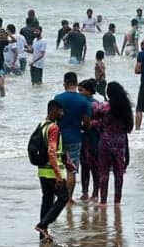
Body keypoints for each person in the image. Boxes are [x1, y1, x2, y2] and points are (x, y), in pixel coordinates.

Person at [53, 72, 92, 203]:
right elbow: (87, 121)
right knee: (72, 169)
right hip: (75, 137)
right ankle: (69, 198)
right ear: (76, 83)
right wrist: (84, 129)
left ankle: (57, 197)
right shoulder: (83, 100)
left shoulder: (58, 98)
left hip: (59, 137)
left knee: (58, 167)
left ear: (65, 83)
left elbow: (52, 119)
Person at [35, 100, 69, 243]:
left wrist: (68, 162)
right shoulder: (54, 128)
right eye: (60, 111)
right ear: (53, 111)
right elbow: (52, 151)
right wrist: (59, 176)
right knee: (63, 198)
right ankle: (42, 225)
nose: (62, 114)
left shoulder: (42, 124)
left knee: (47, 200)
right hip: (52, 172)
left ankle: (43, 235)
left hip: (43, 171)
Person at [93, 82, 133, 206]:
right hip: (120, 143)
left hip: (105, 142)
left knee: (104, 173)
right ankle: (117, 201)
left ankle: (103, 201)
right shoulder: (126, 107)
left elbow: (96, 115)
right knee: (119, 173)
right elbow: (130, 127)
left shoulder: (104, 107)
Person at [77, 79, 103, 202]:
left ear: (88, 91)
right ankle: (85, 191)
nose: (79, 93)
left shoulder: (95, 104)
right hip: (83, 138)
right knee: (84, 165)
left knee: (94, 166)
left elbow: (101, 122)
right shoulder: (81, 102)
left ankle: (95, 192)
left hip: (93, 138)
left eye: (81, 91)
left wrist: (88, 124)